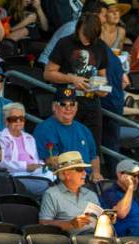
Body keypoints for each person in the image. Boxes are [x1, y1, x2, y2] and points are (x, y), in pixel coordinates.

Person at [44, 10, 107, 150]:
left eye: (90, 38)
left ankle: (93, 172)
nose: (86, 40)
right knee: (67, 146)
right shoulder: (65, 43)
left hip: (92, 103)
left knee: (93, 147)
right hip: (67, 102)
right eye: (84, 35)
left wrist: (101, 88)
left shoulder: (100, 46)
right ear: (78, 28)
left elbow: (103, 76)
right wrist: (71, 78)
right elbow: (48, 73)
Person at [33, 88, 101, 178]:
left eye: (72, 104)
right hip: (65, 178)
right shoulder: (44, 129)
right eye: (63, 104)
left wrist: (96, 172)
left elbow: (94, 157)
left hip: (87, 179)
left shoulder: (83, 129)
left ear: (76, 107)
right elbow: (50, 160)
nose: (68, 108)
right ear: (54, 107)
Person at [39, 151, 105, 235]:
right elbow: (43, 223)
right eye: (80, 170)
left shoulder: (91, 194)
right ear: (67, 174)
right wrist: (70, 224)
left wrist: (106, 220)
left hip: (97, 239)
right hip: (70, 243)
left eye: (84, 169)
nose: (85, 173)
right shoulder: (51, 194)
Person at [0, 102, 54, 190]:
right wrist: (26, 167)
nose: (18, 121)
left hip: (35, 173)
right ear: (6, 121)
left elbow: (35, 159)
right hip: (16, 174)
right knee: (49, 185)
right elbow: (2, 162)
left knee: (55, 177)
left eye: (21, 118)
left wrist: (42, 165)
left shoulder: (29, 137)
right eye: (14, 119)